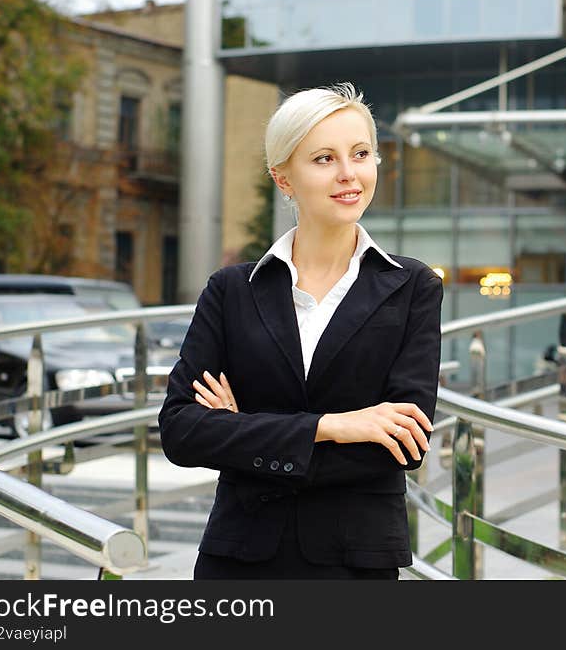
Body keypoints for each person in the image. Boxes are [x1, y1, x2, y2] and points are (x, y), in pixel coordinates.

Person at [158, 83, 444, 580]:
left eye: (361, 154)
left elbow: (402, 446)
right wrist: (332, 425)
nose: (348, 174)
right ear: (283, 177)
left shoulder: (413, 287)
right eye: (324, 158)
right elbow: (182, 432)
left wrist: (243, 429)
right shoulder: (231, 290)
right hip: (239, 559)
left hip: (355, 562)